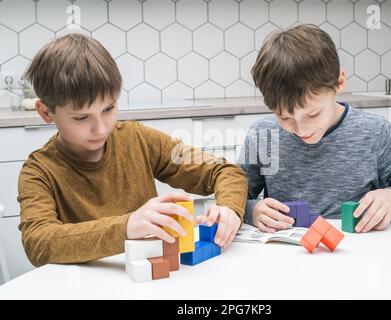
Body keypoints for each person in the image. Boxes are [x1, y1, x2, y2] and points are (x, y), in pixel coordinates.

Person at [18, 33, 247, 267]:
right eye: (81, 118)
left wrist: (229, 208)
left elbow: (223, 171)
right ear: (46, 112)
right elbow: (39, 243)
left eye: (108, 109)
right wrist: (127, 226)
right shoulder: (39, 171)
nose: (100, 128)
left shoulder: (140, 140)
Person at [239, 24, 391, 234]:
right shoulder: (263, 135)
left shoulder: (374, 133)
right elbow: (233, 198)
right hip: (290, 255)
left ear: (339, 82)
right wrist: (252, 210)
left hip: (359, 256)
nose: (300, 129)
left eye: (312, 114)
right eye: (284, 117)